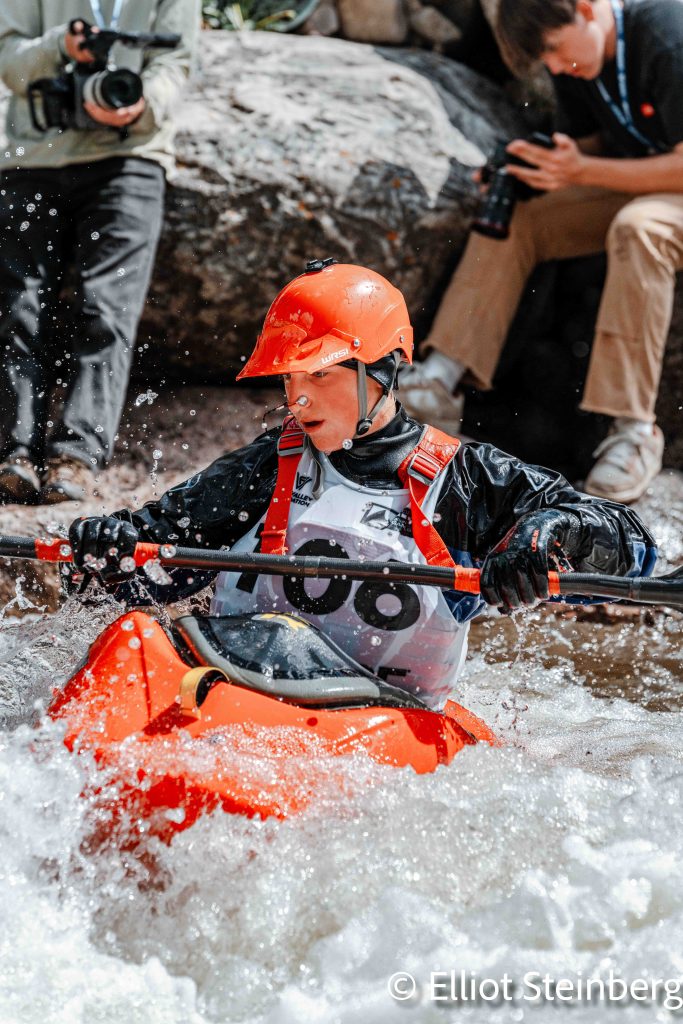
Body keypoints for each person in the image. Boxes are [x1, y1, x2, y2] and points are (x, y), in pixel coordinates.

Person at [67, 261, 655, 710]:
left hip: (380, 722)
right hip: (241, 696)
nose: (298, 399)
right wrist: (107, 550)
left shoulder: (465, 482)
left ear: (385, 371)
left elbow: (633, 550)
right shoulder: (266, 467)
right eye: (290, 378)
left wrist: (545, 536)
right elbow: (150, 564)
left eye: (321, 376)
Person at [400, 0, 683, 505]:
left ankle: (634, 433)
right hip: (647, 184)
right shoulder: (580, 61)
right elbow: (595, 145)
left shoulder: (668, 34)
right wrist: (531, 162)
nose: (554, 65)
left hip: (668, 193)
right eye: (545, 58)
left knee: (639, 228)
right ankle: (438, 382)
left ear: (585, 8)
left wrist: (581, 171)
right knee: (523, 212)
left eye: (553, 47)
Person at [0, 0, 199, 503]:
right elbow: (8, 59)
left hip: (131, 157)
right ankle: (13, 454)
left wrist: (140, 103)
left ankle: (77, 457)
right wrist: (60, 47)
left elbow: (176, 62)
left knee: (108, 310)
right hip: (33, 156)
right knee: (17, 306)